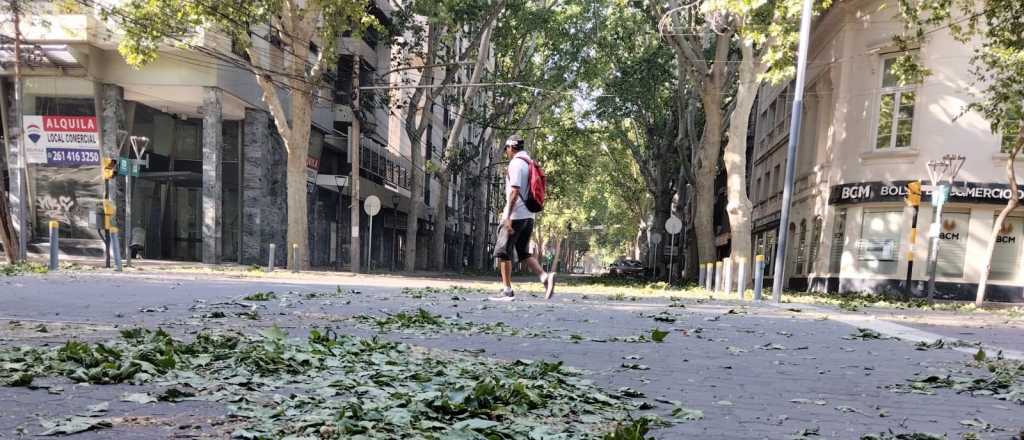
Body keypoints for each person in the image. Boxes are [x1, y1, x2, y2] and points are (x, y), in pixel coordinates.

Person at [491, 135, 555, 301]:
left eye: (506, 149)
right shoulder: (529, 162)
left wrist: (507, 216)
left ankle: (507, 290)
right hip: (529, 216)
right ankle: (545, 278)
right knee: (523, 252)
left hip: (516, 215)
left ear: (511, 147)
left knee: (502, 252)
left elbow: (514, 192)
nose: (506, 152)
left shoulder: (516, 164)